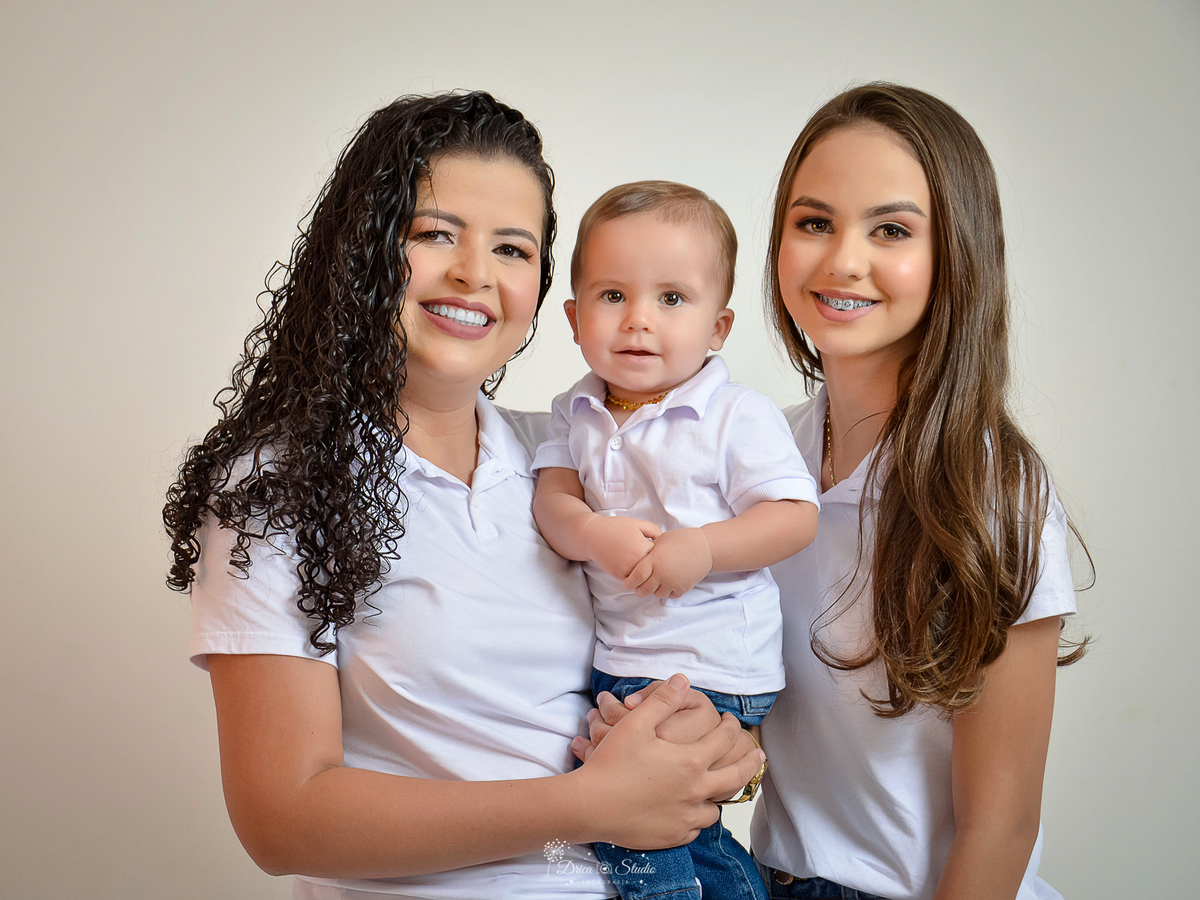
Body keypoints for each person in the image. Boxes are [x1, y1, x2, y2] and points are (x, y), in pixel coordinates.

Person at [163, 91, 764, 900]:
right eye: (434, 234)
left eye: (512, 249)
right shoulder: (281, 487)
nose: (475, 274)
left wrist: (717, 743)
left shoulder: (568, 459)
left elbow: (681, 641)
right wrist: (586, 805)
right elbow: (284, 818)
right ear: (366, 252)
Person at [578, 83, 1087, 900]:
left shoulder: (993, 489)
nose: (842, 260)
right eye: (814, 223)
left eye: (890, 230)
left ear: (955, 253)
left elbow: (1000, 827)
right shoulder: (750, 461)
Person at [532, 181, 820, 900]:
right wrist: (590, 531)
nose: (638, 322)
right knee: (675, 826)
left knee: (625, 816)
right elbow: (552, 499)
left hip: (713, 658)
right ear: (573, 316)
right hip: (626, 660)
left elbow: (793, 514)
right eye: (611, 296)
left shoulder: (734, 415)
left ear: (718, 327)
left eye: (671, 299)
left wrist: (705, 548)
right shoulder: (577, 410)